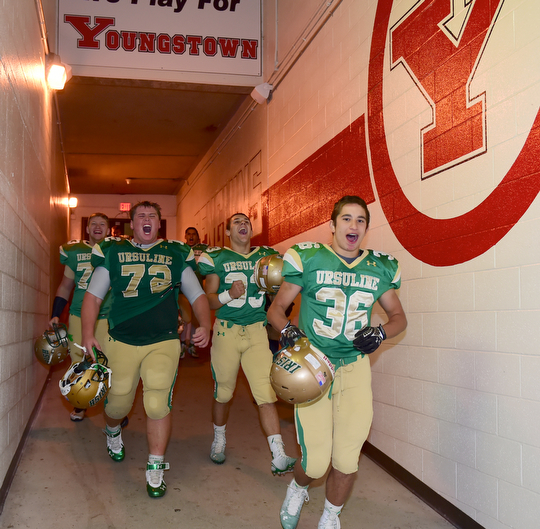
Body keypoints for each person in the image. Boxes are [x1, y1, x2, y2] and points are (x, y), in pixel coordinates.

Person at [267, 196, 407, 529]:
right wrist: (286, 330)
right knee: (315, 464)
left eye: (360, 220)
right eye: (346, 219)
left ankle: (331, 514)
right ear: (332, 225)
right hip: (315, 365)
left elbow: (400, 317)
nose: (353, 226)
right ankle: (299, 487)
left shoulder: (379, 267)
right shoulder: (310, 258)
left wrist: (381, 332)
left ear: (367, 229)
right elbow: (276, 308)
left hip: (355, 367)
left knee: (346, 458)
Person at [81, 200, 211, 498]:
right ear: (132, 224)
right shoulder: (114, 251)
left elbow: (197, 294)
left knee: (156, 402)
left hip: (163, 339)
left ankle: (155, 465)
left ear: (159, 223)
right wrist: (88, 334)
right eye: (141, 216)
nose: (146, 219)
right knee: (117, 405)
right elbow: (93, 297)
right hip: (122, 339)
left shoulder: (175, 253)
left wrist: (205, 323)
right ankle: (113, 431)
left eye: (152, 215)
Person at [197, 213, 297, 475]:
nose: (243, 224)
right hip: (227, 332)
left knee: (266, 394)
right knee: (224, 393)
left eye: (247, 221)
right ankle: (219, 439)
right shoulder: (218, 258)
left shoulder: (266, 257)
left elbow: (282, 288)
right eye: (237, 222)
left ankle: (279, 455)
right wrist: (229, 294)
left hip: (256, 331)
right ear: (228, 232)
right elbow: (208, 300)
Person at [49, 212, 111, 422]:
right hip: (77, 314)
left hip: (108, 315)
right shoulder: (74, 252)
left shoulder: (116, 251)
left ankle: (114, 408)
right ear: (87, 229)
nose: (98, 227)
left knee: (111, 361)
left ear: (109, 230)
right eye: (93, 223)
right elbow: (66, 286)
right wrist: (56, 314)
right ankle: (80, 402)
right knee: (78, 361)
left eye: (102, 224)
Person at [179, 227, 208, 359]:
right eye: (189, 234)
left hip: (198, 290)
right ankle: (181, 344)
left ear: (197, 236)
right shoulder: (180, 248)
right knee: (183, 318)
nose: (191, 237)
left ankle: (192, 344)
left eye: (193, 234)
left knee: (195, 319)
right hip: (181, 290)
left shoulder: (203, 250)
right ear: (185, 236)